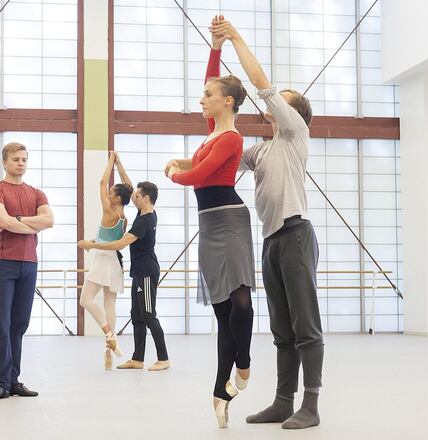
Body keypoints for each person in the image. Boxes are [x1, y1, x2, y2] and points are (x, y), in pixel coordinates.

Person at [211, 18, 324, 430]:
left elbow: (263, 87)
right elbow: (221, 147)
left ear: (293, 113)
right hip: (272, 240)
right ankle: (282, 400)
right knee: (281, 329)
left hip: (296, 235)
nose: (273, 103)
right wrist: (218, 102)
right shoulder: (261, 150)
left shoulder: (296, 134)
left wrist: (235, 39)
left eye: (283, 100)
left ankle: (310, 404)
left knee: (305, 325)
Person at [164, 17, 255, 428]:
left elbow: (200, 177)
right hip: (210, 226)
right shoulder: (210, 134)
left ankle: (245, 362)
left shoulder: (232, 138)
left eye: (208, 95)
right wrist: (216, 46)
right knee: (222, 311)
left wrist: (174, 174)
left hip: (231, 220)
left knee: (241, 301)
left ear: (228, 102)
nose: (202, 98)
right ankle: (221, 390)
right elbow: (211, 77)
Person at [0, 142, 54, 401]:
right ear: (5, 162)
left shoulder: (37, 193)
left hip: (29, 263)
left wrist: (19, 221)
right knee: (1, 323)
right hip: (3, 262)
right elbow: (3, 221)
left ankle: (13, 381)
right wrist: (30, 223)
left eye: (24, 159)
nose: (20, 163)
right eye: (15, 159)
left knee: (19, 324)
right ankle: (0, 382)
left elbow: (49, 221)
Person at [78, 173, 169, 372]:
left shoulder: (145, 220)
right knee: (136, 315)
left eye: (138, 194)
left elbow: (120, 243)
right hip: (137, 271)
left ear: (146, 198)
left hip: (146, 272)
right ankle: (137, 359)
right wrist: (117, 163)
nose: (134, 196)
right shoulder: (141, 213)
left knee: (148, 314)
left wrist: (92, 245)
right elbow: (127, 186)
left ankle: (163, 358)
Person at [78, 152, 133, 369]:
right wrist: (120, 164)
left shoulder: (109, 210)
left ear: (117, 198)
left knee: (85, 299)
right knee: (110, 303)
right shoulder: (123, 216)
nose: (108, 194)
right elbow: (128, 186)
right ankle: (109, 347)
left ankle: (109, 335)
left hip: (102, 259)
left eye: (111, 193)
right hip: (115, 262)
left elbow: (102, 182)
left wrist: (110, 160)